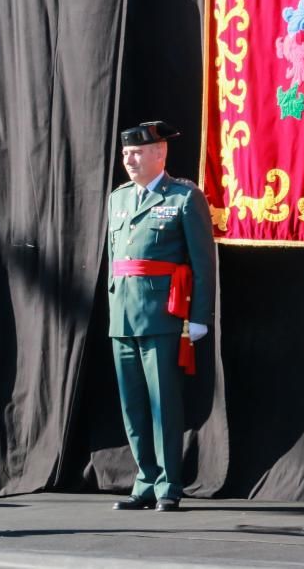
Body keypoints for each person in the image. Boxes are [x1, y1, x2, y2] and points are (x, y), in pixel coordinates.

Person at [107, 121, 216, 513]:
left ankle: (169, 482)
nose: (129, 160)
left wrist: (200, 315)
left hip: (162, 316)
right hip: (122, 316)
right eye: (125, 154)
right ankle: (145, 479)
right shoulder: (118, 199)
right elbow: (113, 262)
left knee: (163, 403)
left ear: (159, 154)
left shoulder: (184, 197)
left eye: (137, 152)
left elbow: (203, 263)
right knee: (132, 404)